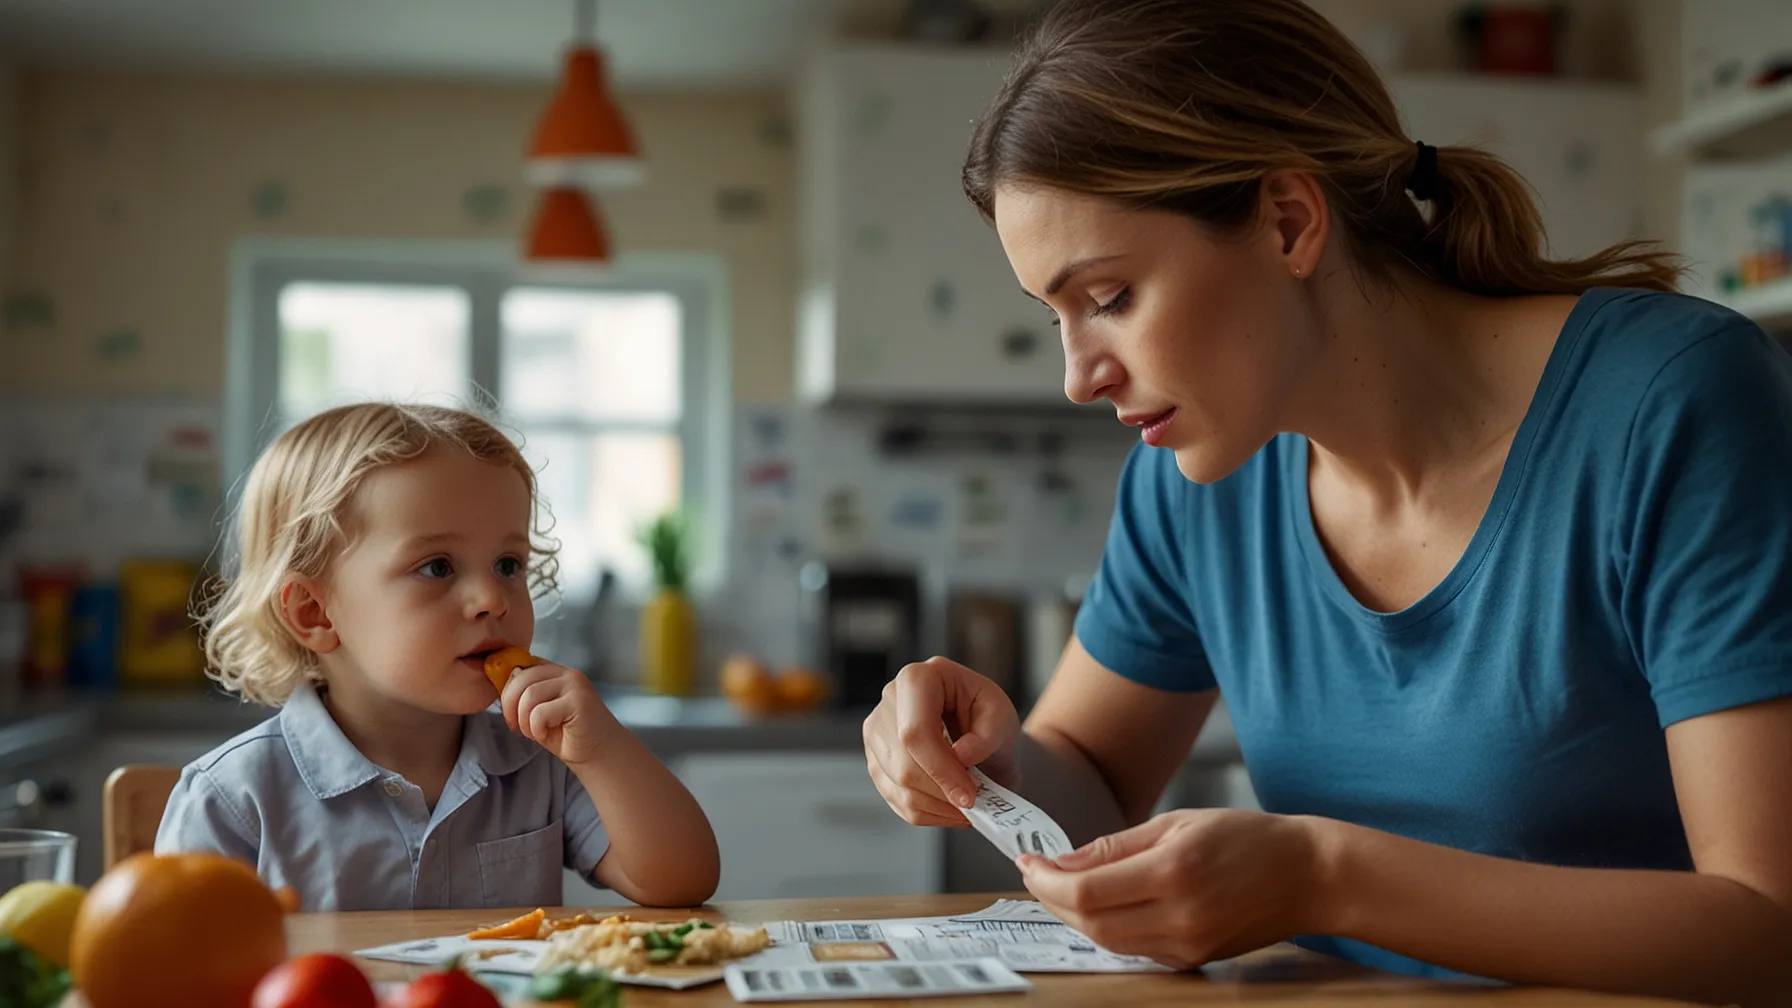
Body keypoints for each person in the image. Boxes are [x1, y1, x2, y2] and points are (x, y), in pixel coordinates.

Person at [860, 0, 1792, 1003]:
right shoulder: (1191, 484)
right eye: (1056, 317)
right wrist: (986, 765)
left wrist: (1325, 877)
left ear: (1290, 223)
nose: (1078, 377)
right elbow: (1091, 781)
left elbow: (1768, 929)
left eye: (1110, 298)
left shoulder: (1672, 401)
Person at [157, 402, 720, 911]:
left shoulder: (542, 762)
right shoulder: (233, 799)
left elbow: (682, 882)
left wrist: (601, 750)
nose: (492, 598)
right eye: (437, 567)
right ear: (315, 613)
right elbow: (177, 969)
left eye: (508, 564)